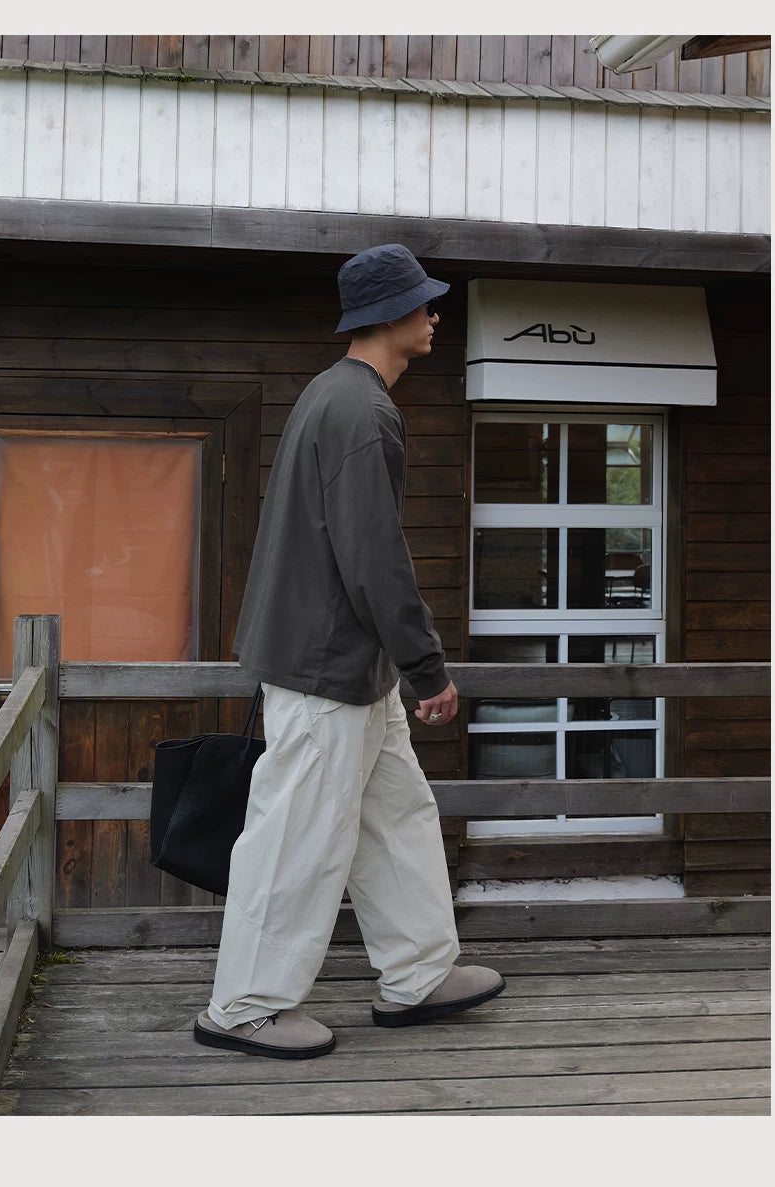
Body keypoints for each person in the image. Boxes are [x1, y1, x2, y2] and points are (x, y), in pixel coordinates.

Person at [194, 243, 505, 1059]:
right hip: (326, 667)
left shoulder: (334, 395)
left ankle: (418, 974)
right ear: (392, 315)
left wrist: (398, 666)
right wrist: (427, 667)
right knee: (296, 837)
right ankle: (245, 1007)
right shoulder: (361, 411)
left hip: (347, 667)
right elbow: (374, 557)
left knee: (396, 817)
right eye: (424, 303)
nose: (434, 314)